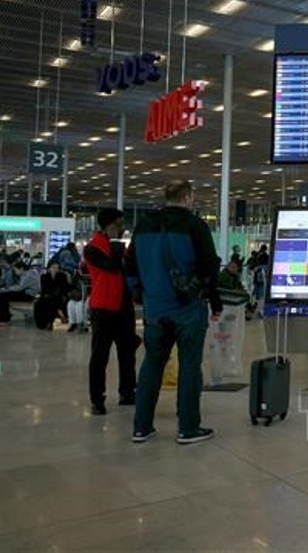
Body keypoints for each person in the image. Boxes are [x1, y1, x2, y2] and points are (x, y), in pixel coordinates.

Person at [126, 180, 223, 444]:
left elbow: (130, 266)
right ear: (188, 197)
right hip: (188, 308)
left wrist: (139, 294)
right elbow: (209, 267)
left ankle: (141, 427)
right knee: (189, 366)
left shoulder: (143, 225)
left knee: (152, 364)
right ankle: (188, 428)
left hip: (155, 309)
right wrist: (214, 300)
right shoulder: (195, 226)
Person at [84, 208, 140, 415]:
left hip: (123, 307)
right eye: (119, 224)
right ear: (109, 225)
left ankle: (127, 392)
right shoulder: (92, 248)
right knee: (100, 356)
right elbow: (112, 266)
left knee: (127, 354)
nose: (123, 228)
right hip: (103, 309)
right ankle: (97, 399)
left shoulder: (122, 248)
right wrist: (116, 242)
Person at [0, 261, 39, 325]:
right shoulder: (27, 274)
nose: (15, 272)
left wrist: (6, 289)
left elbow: (19, 288)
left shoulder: (28, 275)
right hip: (26, 294)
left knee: (4, 296)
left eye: (16, 270)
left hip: (29, 295)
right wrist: (7, 289)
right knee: (3, 296)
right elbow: (19, 286)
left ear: (21, 269)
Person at [34, 261, 72, 330]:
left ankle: (50, 322)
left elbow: (65, 289)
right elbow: (44, 289)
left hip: (59, 296)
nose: (55, 269)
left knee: (52, 302)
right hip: (47, 296)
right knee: (38, 304)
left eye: (57, 268)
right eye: (53, 267)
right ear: (49, 268)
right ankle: (42, 324)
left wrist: (69, 280)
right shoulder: (44, 277)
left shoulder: (62, 276)